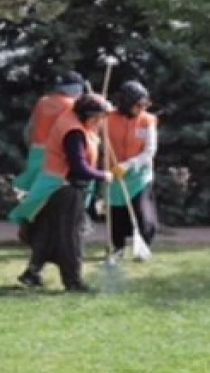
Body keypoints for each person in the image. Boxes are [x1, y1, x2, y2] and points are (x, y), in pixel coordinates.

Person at [9, 94, 115, 292]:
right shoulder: (73, 133)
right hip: (65, 188)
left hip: (54, 185)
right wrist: (103, 175)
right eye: (99, 117)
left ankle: (32, 273)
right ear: (88, 115)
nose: (101, 122)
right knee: (70, 237)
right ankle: (73, 281)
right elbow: (79, 167)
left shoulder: (74, 120)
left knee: (47, 232)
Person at [105, 81, 159, 257]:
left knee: (143, 212)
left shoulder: (147, 120)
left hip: (139, 174)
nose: (142, 108)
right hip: (115, 173)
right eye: (138, 105)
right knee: (117, 212)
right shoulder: (108, 118)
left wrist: (129, 164)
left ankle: (144, 247)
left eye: (145, 104)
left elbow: (150, 151)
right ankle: (118, 247)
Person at [14, 71, 90, 193]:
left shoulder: (43, 102)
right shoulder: (72, 106)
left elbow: (30, 128)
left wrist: (31, 146)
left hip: (36, 149)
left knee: (30, 186)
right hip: (57, 153)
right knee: (49, 191)